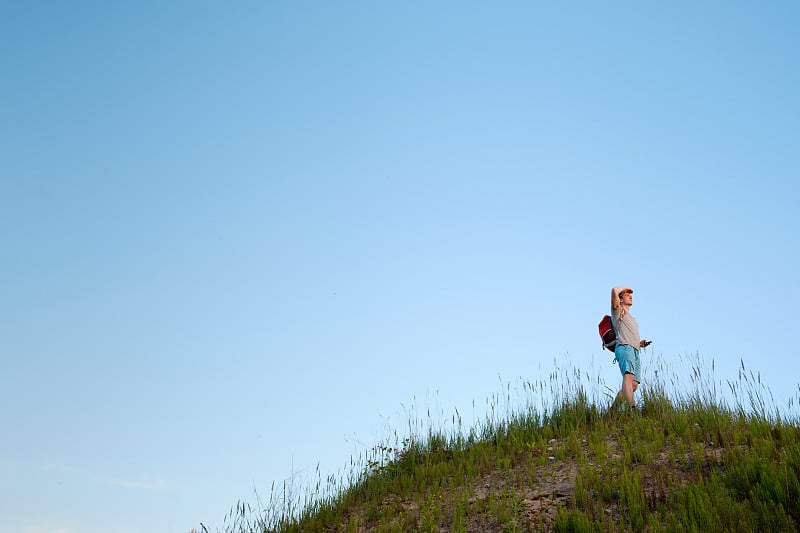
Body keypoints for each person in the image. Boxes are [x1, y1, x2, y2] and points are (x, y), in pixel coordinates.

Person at [611, 287, 651, 409]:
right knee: (628, 376)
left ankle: (613, 410)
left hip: (635, 350)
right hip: (625, 348)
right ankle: (632, 408)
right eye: (627, 295)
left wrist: (639, 344)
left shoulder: (631, 318)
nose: (630, 296)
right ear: (620, 299)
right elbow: (614, 291)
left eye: (630, 294)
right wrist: (623, 288)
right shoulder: (618, 311)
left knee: (633, 384)